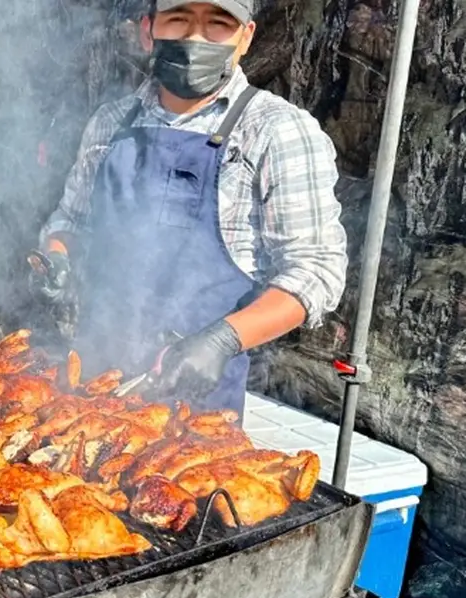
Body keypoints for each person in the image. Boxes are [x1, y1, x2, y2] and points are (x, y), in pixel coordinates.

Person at [33, 0, 348, 417]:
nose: (195, 38)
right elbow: (70, 221)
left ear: (246, 38)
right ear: (149, 30)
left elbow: (315, 271)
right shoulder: (110, 122)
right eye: (178, 19)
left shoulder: (277, 131)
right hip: (91, 384)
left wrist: (223, 340)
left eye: (218, 24)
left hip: (197, 408)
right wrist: (57, 257)